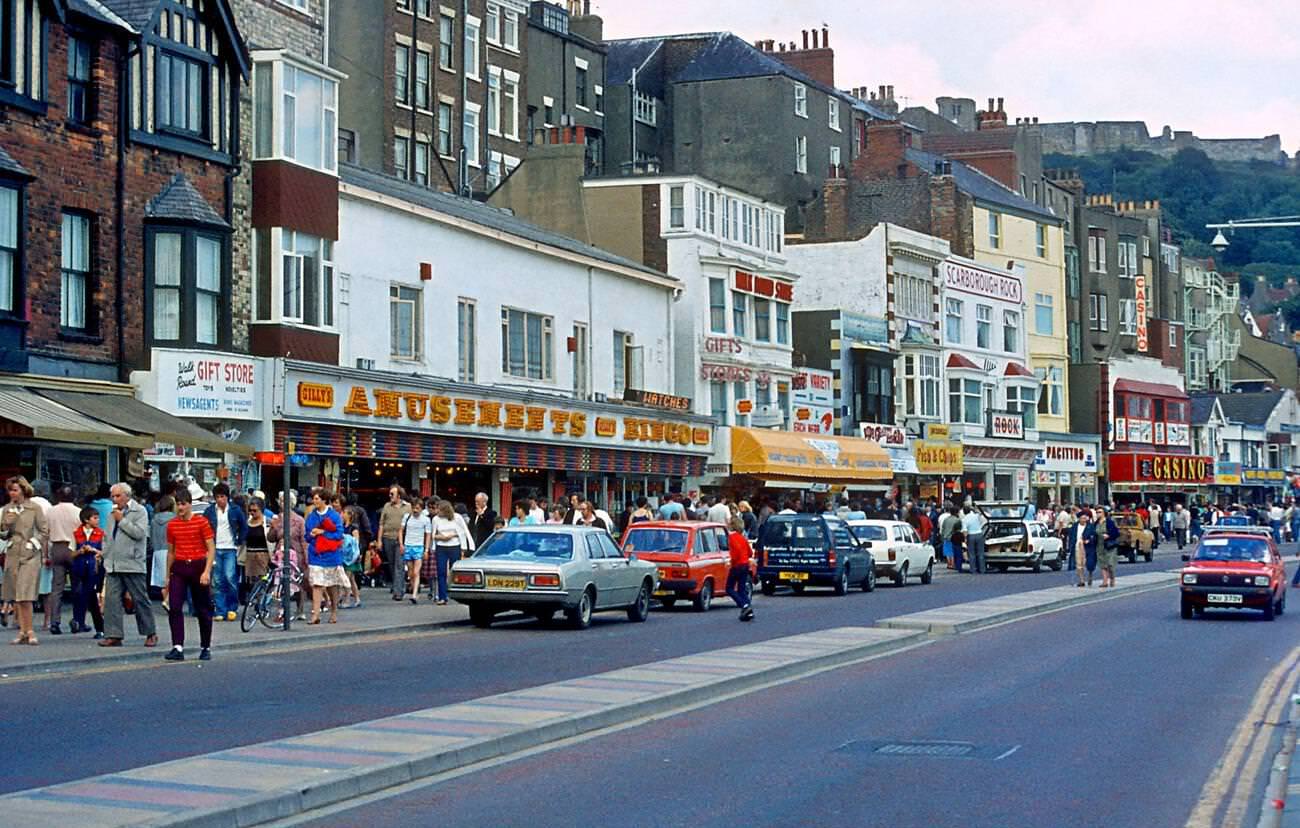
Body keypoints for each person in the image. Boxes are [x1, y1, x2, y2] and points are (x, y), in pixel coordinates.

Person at [100, 483, 158, 648]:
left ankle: (150, 632)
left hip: (132, 561)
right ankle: (113, 634)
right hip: (113, 562)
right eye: (113, 496)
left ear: (127, 496)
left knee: (139, 599)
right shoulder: (112, 513)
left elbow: (139, 533)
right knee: (112, 600)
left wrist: (122, 520)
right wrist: (105, 553)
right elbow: (108, 535)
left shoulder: (139, 511)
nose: (115, 499)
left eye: (118, 496)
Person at [164, 486, 215, 661]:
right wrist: (167, 575)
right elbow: (171, 551)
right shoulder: (172, 525)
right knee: (175, 607)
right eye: (178, 504)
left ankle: (205, 646)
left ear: (190, 505)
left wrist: (207, 571)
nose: (180, 508)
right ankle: (177, 646)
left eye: (184, 504)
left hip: (198, 565)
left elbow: (210, 548)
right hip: (179, 566)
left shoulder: (201, 522)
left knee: (203, 608)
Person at [203, 483, 247, 623]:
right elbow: (204, 528)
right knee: (217, 580)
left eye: (222, 496)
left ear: (227, 497)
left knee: (230, 577)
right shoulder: (210, 511)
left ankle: (232, 608)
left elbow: (244, 526)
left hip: (230, 548)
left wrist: (239, 540)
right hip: (215, 548)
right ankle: (220, 609)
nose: (220, 500)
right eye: (218, 497)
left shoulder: (235, 510)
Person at [304, 489, 347, 624]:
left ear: (324, 500)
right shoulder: (311, 517)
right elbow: (307, 536)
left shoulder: (334, 516)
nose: (314, 501)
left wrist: (323, 532)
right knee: (316, 584)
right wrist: (311, 535)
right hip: (316, 554)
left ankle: (334, 611)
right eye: (314, 499)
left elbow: (339, 534)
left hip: (331, 555)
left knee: (332, 585)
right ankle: (315, 614)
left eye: (317, 499)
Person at [44, 486, 82, 635]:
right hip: (73, 548)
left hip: (57, 547)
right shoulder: (78, 512)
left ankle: (55, 622)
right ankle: (77, 620)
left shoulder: (50, 511)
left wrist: (45, 555)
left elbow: (45, 535)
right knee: (76, 586)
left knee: (57, 588)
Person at [267, 491, 307, 621]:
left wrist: (306, 558)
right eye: (281, 501)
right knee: (279, 582)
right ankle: (282, 611)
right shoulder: (277, 519)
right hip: (281, 554)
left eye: (286, 501)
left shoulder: (299, 520)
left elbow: (303, 540)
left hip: (296, 553)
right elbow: (271, 538)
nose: (283, 503)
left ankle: (300, 610)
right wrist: (273, 527)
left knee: (298, 582)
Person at [377, 485, 409, 600]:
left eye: (392, 494)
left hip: (401, 539)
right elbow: (381, 524)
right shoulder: (386, 506)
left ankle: (398, 592)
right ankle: (399, 586)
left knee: (399, 565)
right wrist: (379, 540)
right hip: (387, 537)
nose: (390, 496)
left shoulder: (408, 507)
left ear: (399, 495)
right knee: (391, 564)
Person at [430, 501, 465, 606]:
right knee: (441, 571)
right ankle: (442, 597)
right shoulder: (435, 519)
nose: (437, 512)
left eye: (439, 510)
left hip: (455, 546)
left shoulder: (457, 517)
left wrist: (462, 548)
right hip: (441, 547)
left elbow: (462, 532)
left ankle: (458, 593)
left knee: (455, 571)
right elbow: (433, 535)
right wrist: (441, 537)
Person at [402, 496, 432, 603]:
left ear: (421, 509)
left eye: (418, 508)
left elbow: (428, 535)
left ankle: (415, 594)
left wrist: (426, 549)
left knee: (416, 572)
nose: (415, 510)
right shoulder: (407, 517)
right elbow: (401, 530)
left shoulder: (426, 520)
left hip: (419, 546)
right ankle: (414, 587)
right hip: (408, 545)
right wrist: (402, 544)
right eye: (414, 507)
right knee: (410, 572)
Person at [725, 516, 754, 622]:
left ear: (733, 525)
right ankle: (748, 609)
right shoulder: (743, 538)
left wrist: (731, 561)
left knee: (729, 588)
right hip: (745, 565)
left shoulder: (731, 537)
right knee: (741, 589)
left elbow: (735, 553)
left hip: (737, 565)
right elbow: (750, 552)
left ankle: (744, 605)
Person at [149, 495, 175, 606]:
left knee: (163, 579)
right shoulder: (174, 519)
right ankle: (169, 600)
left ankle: (166, 598)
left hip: (157, 551)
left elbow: (150, 536)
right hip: (170, 550)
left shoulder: (154, 519)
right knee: (172, 576)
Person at [243, 497, 271, 592]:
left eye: (255, 510)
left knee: (262, 581)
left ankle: (261, 601)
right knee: (250, 582)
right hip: (249, 556)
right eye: (250, 510)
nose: (252, 513)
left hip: (262, 556)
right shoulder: (247, 523)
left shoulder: (267, 522)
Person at [1067, 510, 1099, 588]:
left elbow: (1094, 536)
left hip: (1087, 547)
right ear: (1079, 519)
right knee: (1078, 563)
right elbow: (1071, 535)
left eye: (1085, 518)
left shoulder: (1090, 526)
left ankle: (1090, 576)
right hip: (1077, 545)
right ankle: (1081, 580)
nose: (1084, 520)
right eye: (1082, 518)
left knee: (1088, 563)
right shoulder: (1074, 526)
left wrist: (1089, 540)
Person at [1097, 508, 1120, 590]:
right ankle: (1105, 581)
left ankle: (1112, 578)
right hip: (1100, 545)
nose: (1098, 513)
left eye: (1099, 512)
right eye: (1097, 512)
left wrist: (1109, 535)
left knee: (1110, 564)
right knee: (1102, 564)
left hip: (1109, 545)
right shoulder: (1096, 523)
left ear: (1104, 513)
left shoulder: (1109, 522)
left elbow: (1116, 533)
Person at [961, 506, 985, 574]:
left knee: (972, 554)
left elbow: (965, 531)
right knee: (980, 553)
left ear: (964, 512)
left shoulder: (964, 519)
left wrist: (965, 539)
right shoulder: (976, 516)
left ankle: (973, 569)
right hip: (979, 534)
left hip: (971, 535)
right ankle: (982, 569)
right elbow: (981, 514)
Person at [940, 506, 963, 572]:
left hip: (946, 537)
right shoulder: (957, 520)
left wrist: (942, 536)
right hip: (953, 537)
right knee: (953, 551)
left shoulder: (946, 519)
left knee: (947, 551)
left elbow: (943, 528)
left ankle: (949, 563)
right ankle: (953, 564)